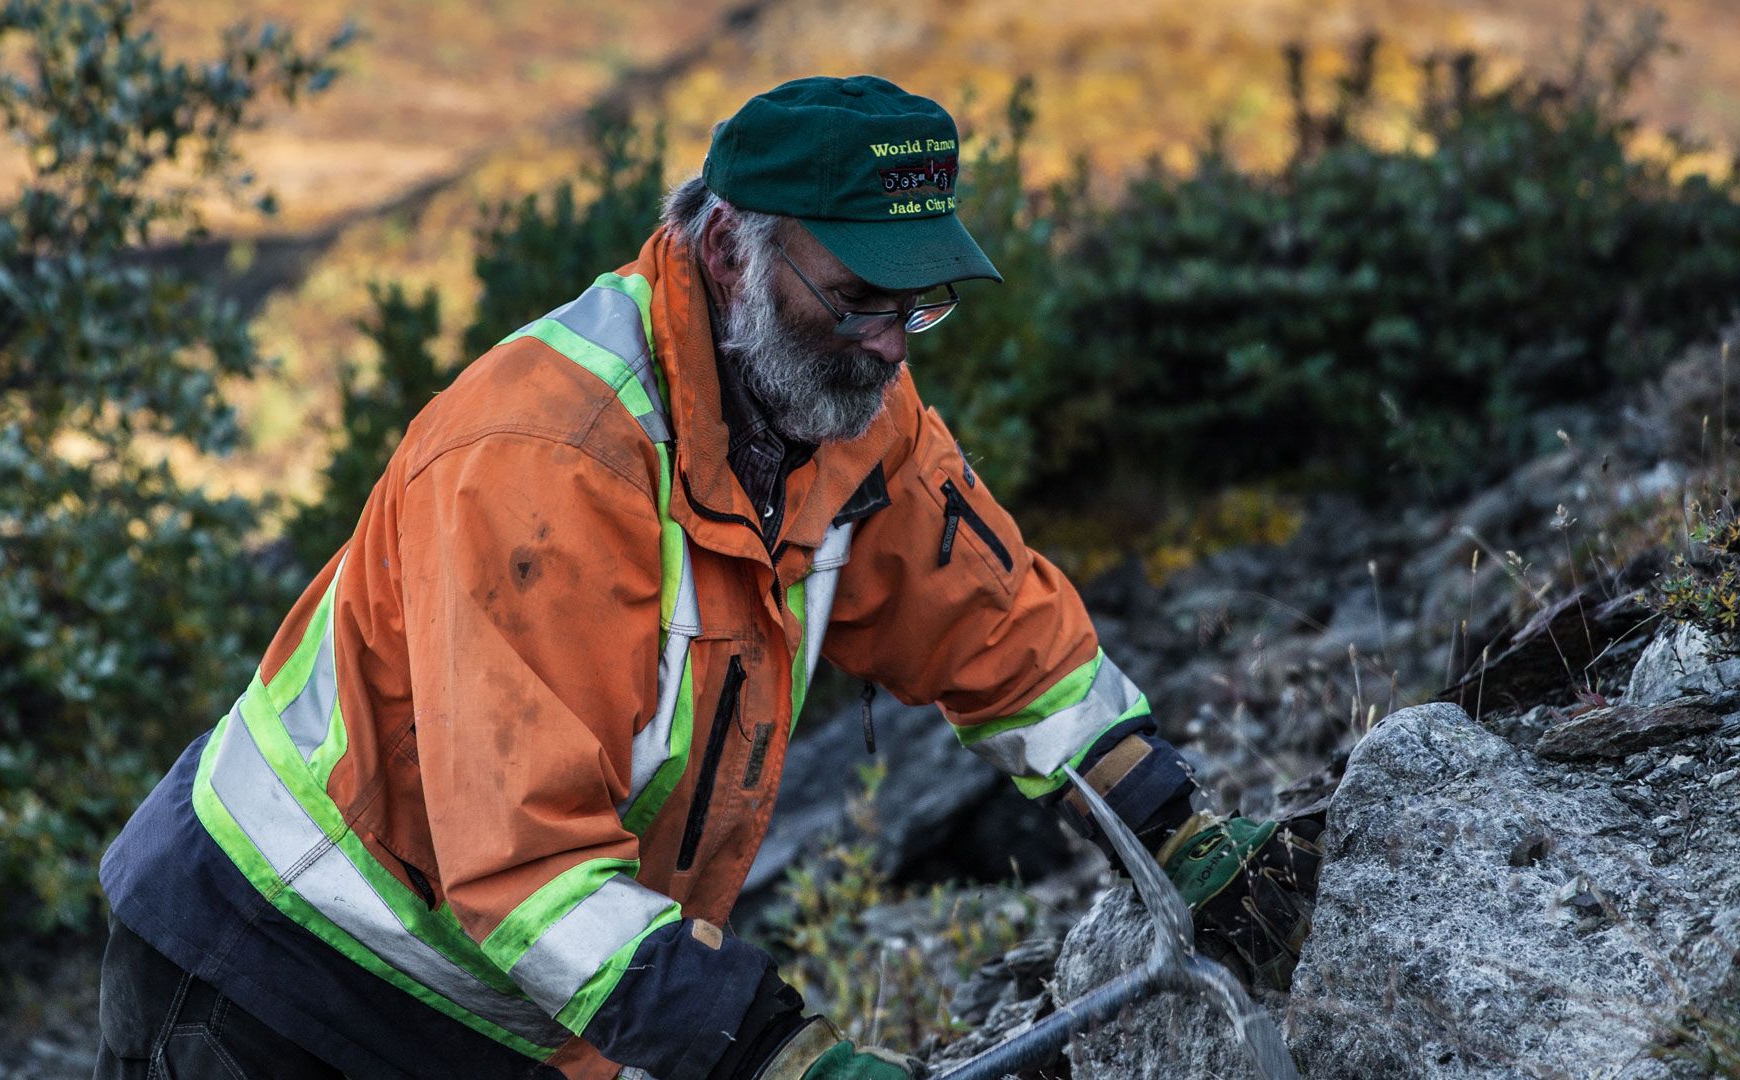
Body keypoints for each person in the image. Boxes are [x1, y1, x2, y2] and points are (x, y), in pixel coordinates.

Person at [94, 75, 1321, 1080]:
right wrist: (780, 1056)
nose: (891, 344)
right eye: (854, 298)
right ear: (731, 250)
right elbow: (530, 870)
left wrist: (1177, 832)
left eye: (918, 303)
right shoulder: (546, 465)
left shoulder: (843, 402)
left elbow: (996, 630)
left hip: (509, 1001)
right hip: (271, 970)